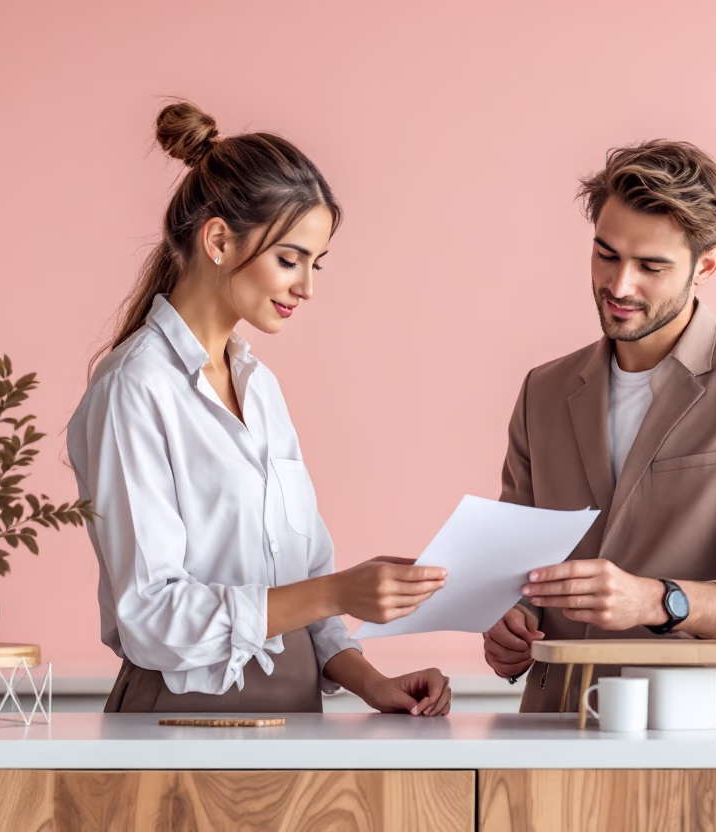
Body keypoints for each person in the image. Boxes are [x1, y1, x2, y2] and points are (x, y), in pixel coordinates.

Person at [67, 102, 452, 715]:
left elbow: (304, 581)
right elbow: (151, 617)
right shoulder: (134, 388)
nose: (308, 286)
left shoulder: (260, 386)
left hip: (295, 716)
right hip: (179, 723)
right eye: (290, 258)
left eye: (316, 263)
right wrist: (339, 591)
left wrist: (370, 681)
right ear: (219, 240)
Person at [482, 140, 716, 714]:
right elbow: (514, 574)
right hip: (553, 729)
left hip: (705, 731)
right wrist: (508, 620)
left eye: (651, 266)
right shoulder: (542, 392)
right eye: (606, 254)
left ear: (708, 264)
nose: (620, 286)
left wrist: (660, 601)